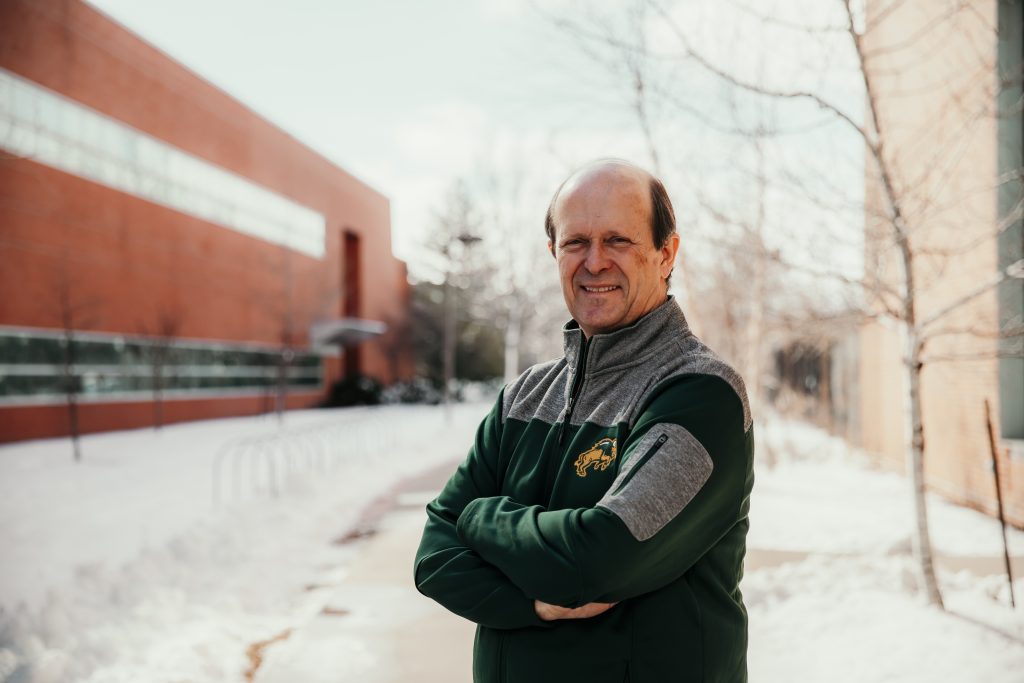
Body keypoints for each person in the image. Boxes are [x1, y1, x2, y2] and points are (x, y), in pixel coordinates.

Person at [414, 159, 754, 683]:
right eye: (576, 242)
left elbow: (597, 562)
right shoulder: (523, 396)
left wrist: (479, 517)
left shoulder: (701, 395)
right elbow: (434, 560)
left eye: (618, 240)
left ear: (666, 254)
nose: (594, 263)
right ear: (555, 253)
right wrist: (536, 605)